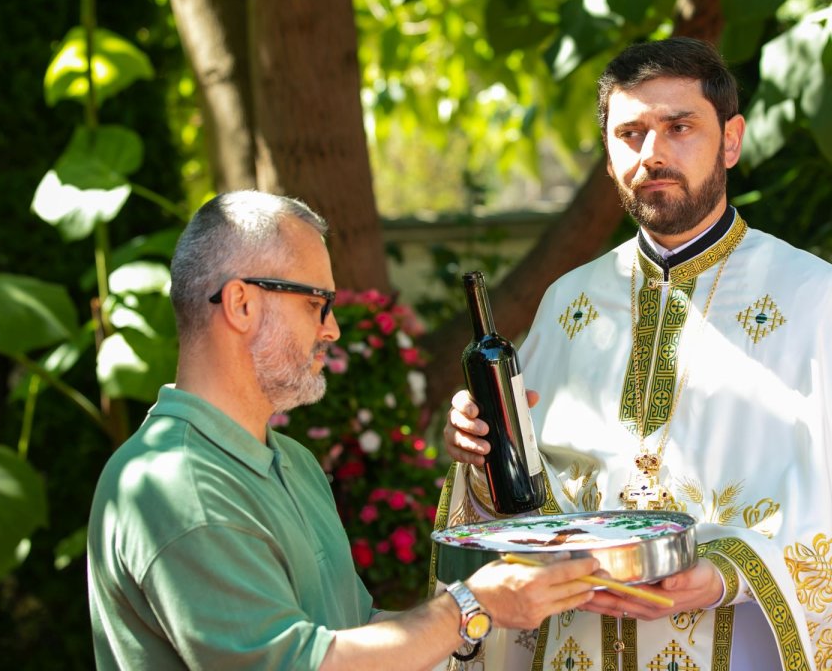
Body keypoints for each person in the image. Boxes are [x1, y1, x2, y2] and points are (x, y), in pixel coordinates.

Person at [440, 38, 832, 670]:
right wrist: (484, 455)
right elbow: (528, 500)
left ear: (731, 140)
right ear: (608, 155)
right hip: (581, 644)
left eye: (679, 127)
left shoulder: (812, 297)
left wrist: (724, 574)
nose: (653, 153)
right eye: (630, 133)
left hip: (736, 641)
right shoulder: (569, 302)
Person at [87, 191, 602, 671]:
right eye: (316, 304)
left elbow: (354, 632)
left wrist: (482, 617)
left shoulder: (289, 459)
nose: (332, 328)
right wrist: (471, 606)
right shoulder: (180, 484)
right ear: (242, 304)